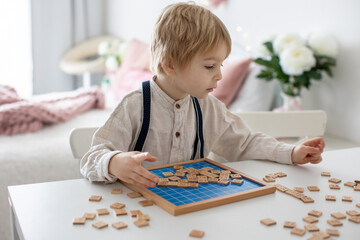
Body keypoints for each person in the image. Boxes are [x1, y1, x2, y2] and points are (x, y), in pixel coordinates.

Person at [80, 2, 325, 188]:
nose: (219, 75)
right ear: (170, 65)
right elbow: (92, 158)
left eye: (221, 65)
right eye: (210, 66)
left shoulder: (209, 107)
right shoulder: (134, 106)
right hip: (137, 212)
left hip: (191, 208)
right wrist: (113, 163)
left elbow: (245, 142)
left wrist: (290, 152)